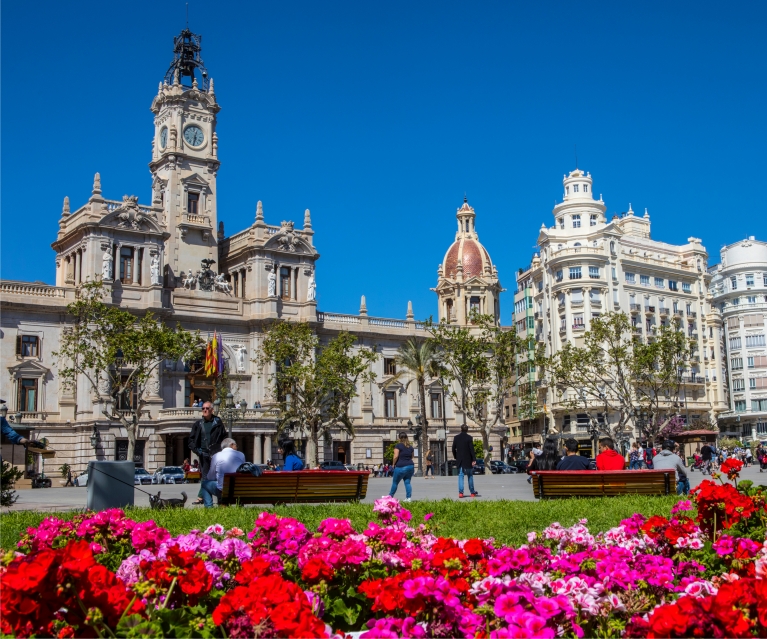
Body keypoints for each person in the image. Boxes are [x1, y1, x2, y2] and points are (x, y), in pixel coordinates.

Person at [189, 401, 226, 505]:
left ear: (212, 410)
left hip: (216, 454)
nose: (205, 410)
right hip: (204, 454)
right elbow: (191, 441)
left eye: (207, 408)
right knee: (205, 477)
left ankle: (218, 498)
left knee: (217, 476)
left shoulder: (218, 423)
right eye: (203, 408)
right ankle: (206, 501)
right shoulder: (198, 424)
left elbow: (224, 437)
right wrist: (198, 451)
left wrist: (221, 450)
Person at [199, 438, 246, 508]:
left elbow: (210, 476)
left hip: (223, 491)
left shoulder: (216, 456)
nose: (237, 447)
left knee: (205, 484)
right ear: (232, 445)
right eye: (236, 445)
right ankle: (239, 507)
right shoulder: (241, 455)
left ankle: (209, 508)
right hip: (238, 490)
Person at [452, 424, 479, 498]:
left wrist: (456, 456)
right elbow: (471, 449)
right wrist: (474, 459)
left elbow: (453, 449)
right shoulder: (469, 438)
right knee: (470, 475)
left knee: (461, 475)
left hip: (460, 459)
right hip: (468, 459)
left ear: (461, 429)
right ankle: (472, 492)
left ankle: (461, 493)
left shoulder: (456, 438)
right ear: (467, 430)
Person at [389, 431, 415, 502]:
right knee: (407, 482)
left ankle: (390, 497)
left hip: (401, 467)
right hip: (410, 466)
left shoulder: (398, 445)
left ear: (399, 438)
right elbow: (412, 456)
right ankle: (408, 498)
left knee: (395, 482)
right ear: (407, 438)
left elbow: (396, 456)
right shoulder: (410, 447)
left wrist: (393, 464)